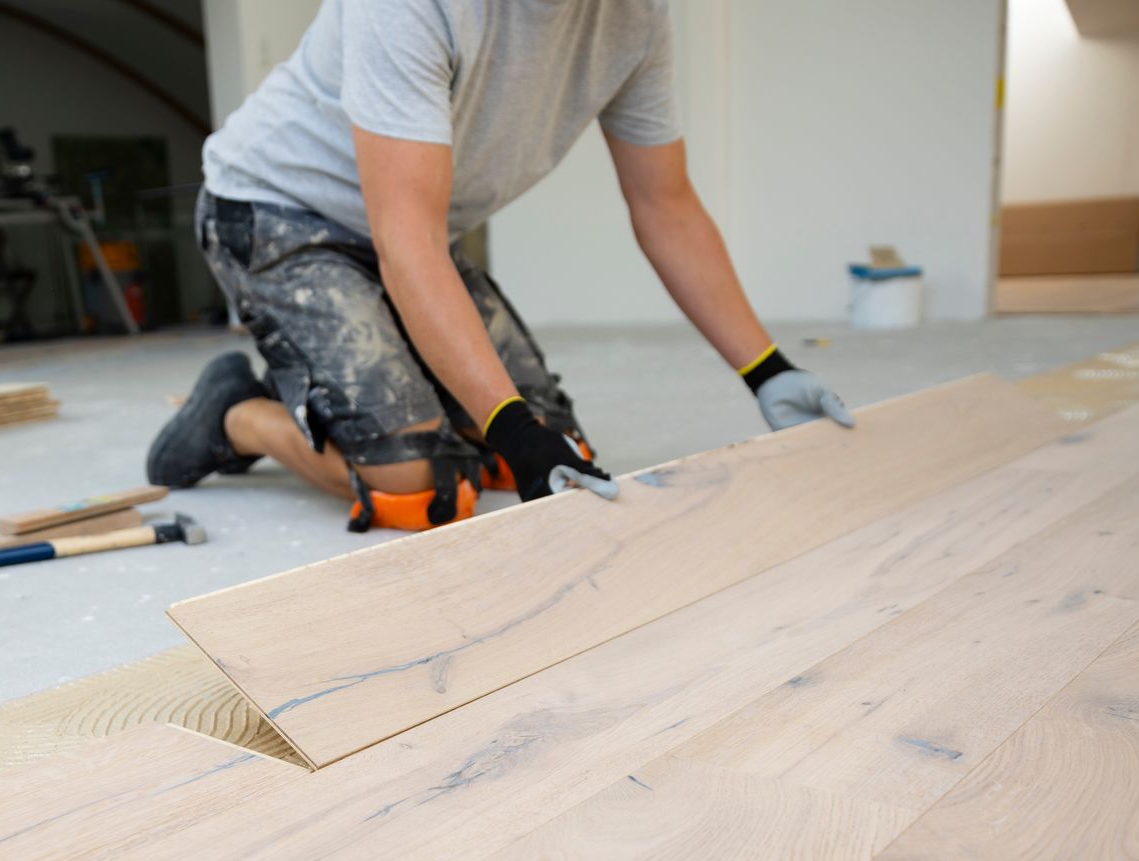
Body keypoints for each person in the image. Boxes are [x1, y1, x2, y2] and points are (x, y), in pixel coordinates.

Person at [146, 0, 854, 532]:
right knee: (419, 487)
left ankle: (357, 398)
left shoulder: (634, 17)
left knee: (558, 457)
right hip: (279, 215)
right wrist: (509, 424)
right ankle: (235, 415)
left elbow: (665, 204)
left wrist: (766, 368)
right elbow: (408, 240)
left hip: (411, 231)